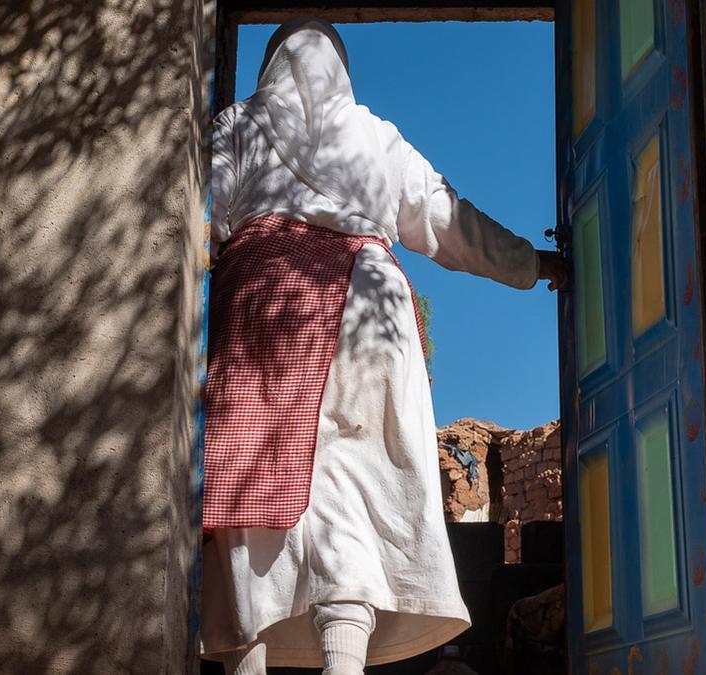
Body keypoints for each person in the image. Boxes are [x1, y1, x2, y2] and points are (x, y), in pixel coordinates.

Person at [200, 18, 569, 675]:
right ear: (341, 69)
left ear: (270, 66)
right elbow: (448, 219)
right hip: (370, 305)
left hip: (268, 301)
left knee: (251, 490)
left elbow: (205, 215)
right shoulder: (374, 134)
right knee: (352, 496)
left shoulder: (236, 121)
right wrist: (532, 264)